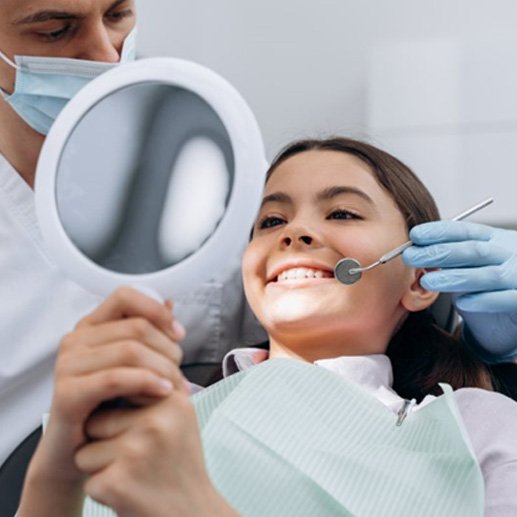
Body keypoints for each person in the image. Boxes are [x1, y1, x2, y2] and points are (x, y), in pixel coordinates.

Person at [1, 0, 516, 470]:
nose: (106, 56)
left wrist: (501, 350)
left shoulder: (474, 430)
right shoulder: (157, 422)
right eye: (54, 29)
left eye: (117, 15)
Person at [18, 138, 517, 516]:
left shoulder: (476, 426)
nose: (295, 232)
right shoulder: (157, 407)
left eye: (341, 212)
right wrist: (56, 474)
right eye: (271, 221)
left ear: (420, 280)